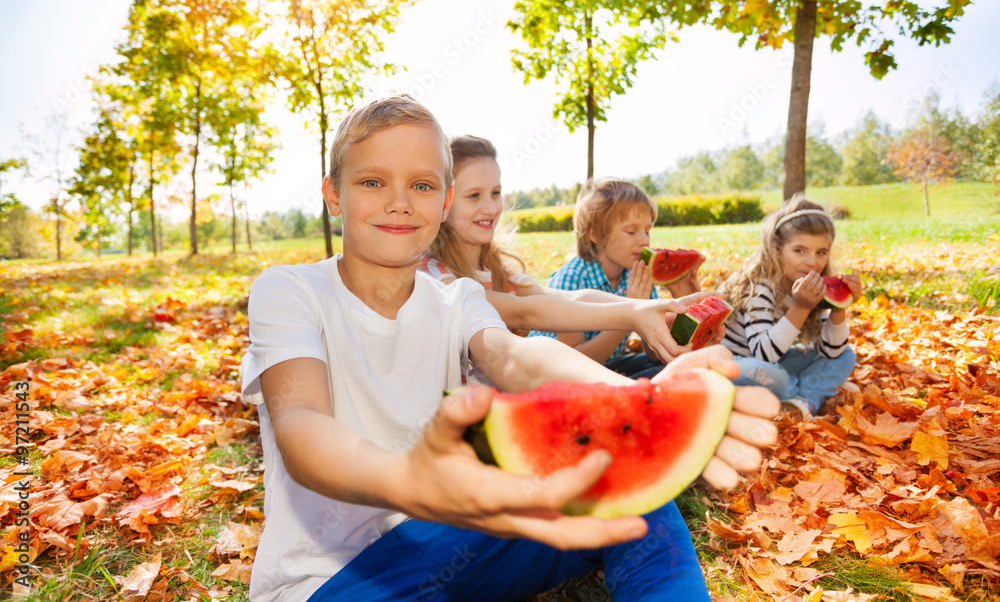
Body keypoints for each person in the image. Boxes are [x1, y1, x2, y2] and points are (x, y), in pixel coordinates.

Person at [240, 93, 780, 602]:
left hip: (459, 537)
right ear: (334, 192)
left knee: (626, 468)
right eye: (374, 182)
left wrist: (635, 399)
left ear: (443, 200)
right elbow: (301, 420)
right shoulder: (289, 290)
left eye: (424, 186)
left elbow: (518, 356)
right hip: (333, 579)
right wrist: (407, 481)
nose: (400, 203)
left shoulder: (457, 298)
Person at [419, 134, 697, 364]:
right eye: (474, 196)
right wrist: (631, 314)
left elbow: (571, 298)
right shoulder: (437, 277)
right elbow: (525, 311)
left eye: (496, 192)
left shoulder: (500, 271)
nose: (491, 208)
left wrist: (647, 306)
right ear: (445, 200)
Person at [530, 178, 709, 378]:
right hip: (552, 373)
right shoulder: (570, 280)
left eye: (647, 231)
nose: (645, 240)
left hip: (606, 366)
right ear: (595, 234)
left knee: (670, 370)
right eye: (631, 231)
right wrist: (630, 313)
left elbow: (653, 354)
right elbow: (573, 364)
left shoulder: (637, 274)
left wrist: (679, 303)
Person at [719, 194, 862, 419]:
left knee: (846, 355)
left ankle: (796, 404)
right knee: (771, 374)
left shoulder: (813, 285)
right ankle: (812, 392)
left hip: (776, 362)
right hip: (735, 365)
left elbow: (831, 351)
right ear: (777, 250)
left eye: (821, 252)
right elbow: (764, 355)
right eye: (799, 251)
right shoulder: (760, 287)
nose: (812, 262)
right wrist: (801, 307)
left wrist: (838, 309)